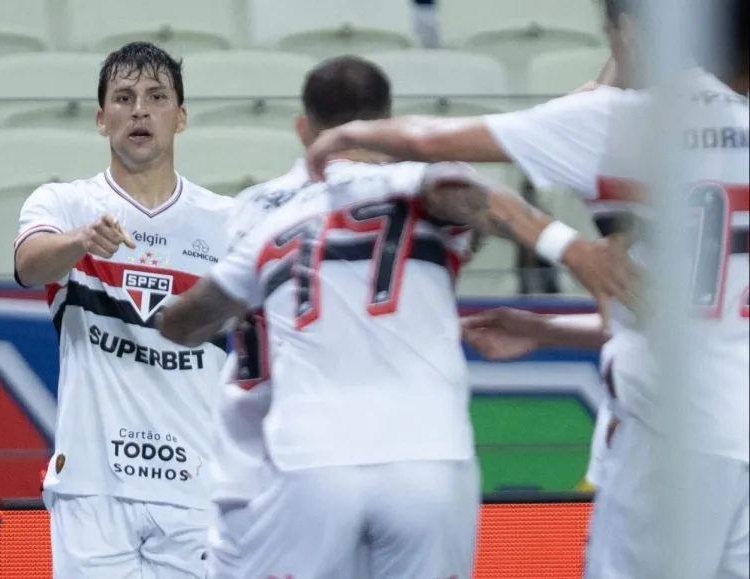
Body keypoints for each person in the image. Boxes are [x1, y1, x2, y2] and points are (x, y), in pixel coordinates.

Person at [304, 0, 750, 576]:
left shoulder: (619, 124)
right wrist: (543, 328)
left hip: (667, 435)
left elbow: (435, 141)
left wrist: (344, 135)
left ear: (633, 36)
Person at [154, 68, 633, 579]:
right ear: (387, 123)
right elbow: (470, 196)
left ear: (306, 131)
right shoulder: (413, 181)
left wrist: (172, 313)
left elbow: (184, 322)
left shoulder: (266, 220)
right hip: (425, 454)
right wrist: (570, 249)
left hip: (308, 459)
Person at [14, 41, 233, 578]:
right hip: (92, 486)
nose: (140, 109)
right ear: (100, 118)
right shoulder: (63, 204)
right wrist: (80, 243)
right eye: (124, 97)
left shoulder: (228, 222)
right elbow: (28, 266)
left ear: (180, 119)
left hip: (198, 486)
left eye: (157, 97)